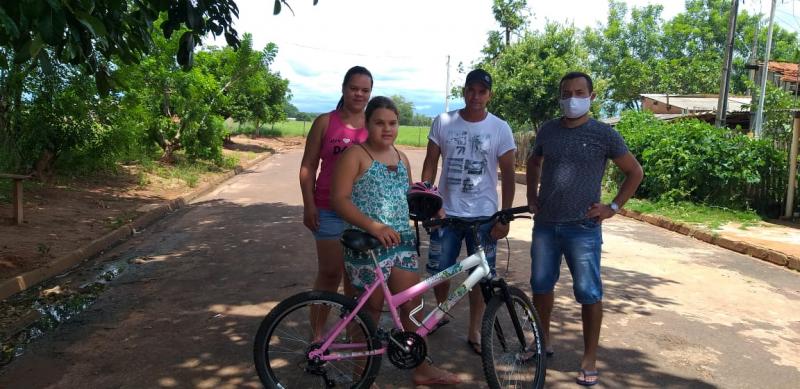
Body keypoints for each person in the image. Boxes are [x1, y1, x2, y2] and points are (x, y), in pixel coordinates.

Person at [331, 96, 461, 386]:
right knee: (369, 315)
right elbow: (338, 200)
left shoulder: (401, 158)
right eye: (379, 122)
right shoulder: (355, 155)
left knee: (412, 306)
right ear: (367, 124)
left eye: (392, 123)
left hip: (401, 244)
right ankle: (362, 376)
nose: (386, 129)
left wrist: (432, 208)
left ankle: (421, 367)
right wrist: (373, 226)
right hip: (368, 247)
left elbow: (406, 199)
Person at [526, 71, 643, 386]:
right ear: (560, 97)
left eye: (579, 93)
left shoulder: (604, 134)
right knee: (540, 287)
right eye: (567, 93)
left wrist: (612, 208)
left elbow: (634, 172)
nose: (572, 99)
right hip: (546, 226)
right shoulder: (548, 131)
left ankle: (590, 357)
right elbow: (534, 162)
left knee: (589, 292)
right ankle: (541, 341)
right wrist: (531, 196)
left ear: (591, 97)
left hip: (583, 228)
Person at [421, 69, 517, 355]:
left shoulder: (500, 128)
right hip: (445, 214)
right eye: (471, 90)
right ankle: (440, 313)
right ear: (464, 91)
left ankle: (475, 328)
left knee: (480, 276)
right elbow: (430, 163)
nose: (476, 96)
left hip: (484, 218)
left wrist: (505, 216)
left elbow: (510, 175)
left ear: (489, 95)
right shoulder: (444, 122)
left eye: (482, 91)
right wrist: (427, 201)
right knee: (440, 271)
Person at [299, 66, 372, 334]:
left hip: (361, 213)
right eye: (354, 88)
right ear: (343, 88)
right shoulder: (324, 122)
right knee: (330, 273)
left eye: (365, 90)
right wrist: (309, 205)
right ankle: (317, 336)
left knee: (356, 280)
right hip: (327, 209)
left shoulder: (373, 125)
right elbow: (308, 166)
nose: (359, 94)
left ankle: (352, 336)